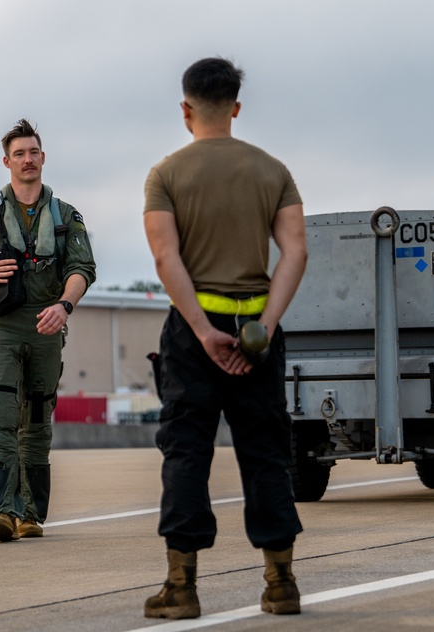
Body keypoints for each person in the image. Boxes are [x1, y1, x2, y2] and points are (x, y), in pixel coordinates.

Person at [141, 57, 308, 618]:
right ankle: (281, 583)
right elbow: (295, 253)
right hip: (256, 330)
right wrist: (266, 324)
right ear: (236, 107)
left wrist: (203, 331)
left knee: (186, 451)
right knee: (265, 453)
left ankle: (181, 589)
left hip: (194, 334)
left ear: (186, 110)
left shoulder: (165, 175)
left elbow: (166, 259)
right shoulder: (273, 170)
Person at [0, 119, 96, 542]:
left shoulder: (65, 216)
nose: (27, 160)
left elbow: (83, 268)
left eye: (33, 152)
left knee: (37, 420)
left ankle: (30, 513)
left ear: (43, 158)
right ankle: (0, 512)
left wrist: (64, 306)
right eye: (19, 154)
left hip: (46, 326)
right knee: (2, 415)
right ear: (7, 161)